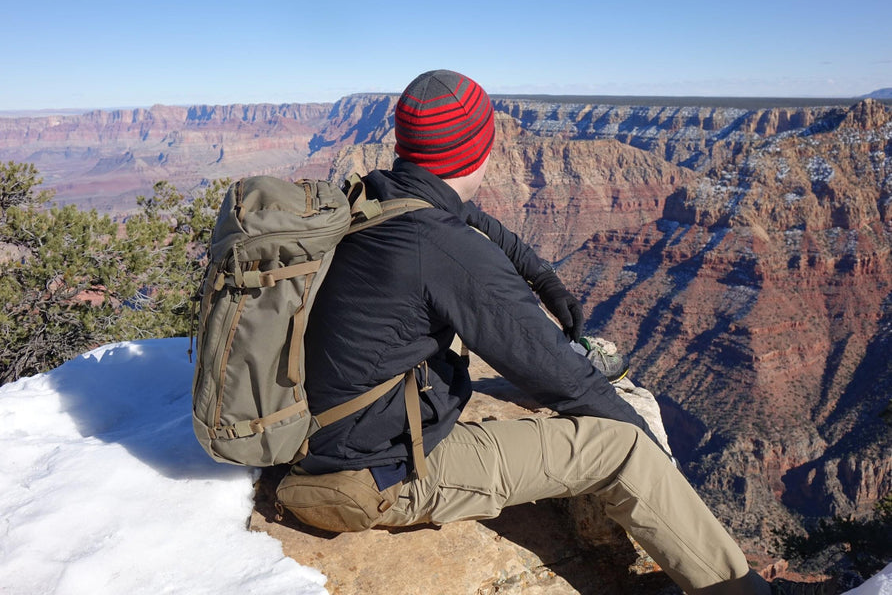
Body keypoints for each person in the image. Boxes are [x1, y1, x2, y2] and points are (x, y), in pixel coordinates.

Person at [279, 69, 771, 595]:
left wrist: (543, 277)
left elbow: (464, 214)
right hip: (368, 475)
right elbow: (565, 380)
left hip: (323, 428)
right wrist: (654, 453)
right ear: (481, 148)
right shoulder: (445, 252)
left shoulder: (372, 194)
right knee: (622, 448)